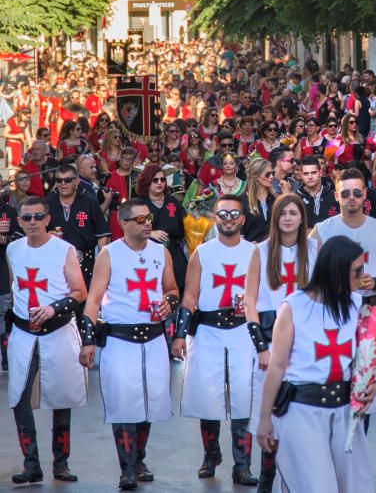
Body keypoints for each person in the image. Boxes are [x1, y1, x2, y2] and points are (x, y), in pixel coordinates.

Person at [256, 236, 376, 493]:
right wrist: (264, 418)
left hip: (344, 411)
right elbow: (277, 367)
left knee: (357, 486)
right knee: (315, 487)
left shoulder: (355, 303)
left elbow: (359, 359)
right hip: (303, 412)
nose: (362, 277)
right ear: (336, 270)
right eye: (357, 271)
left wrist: (372, 384)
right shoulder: (294, 306)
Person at [79, 198, 179, 491]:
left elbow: (172, 288)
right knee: (124, 403)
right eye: (140, 220)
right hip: (120, 338)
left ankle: (138, 458)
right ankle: (127, 468)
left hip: (153, 336)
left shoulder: (161, 252)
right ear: (123, 223)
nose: (147, 223)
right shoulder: (109, 254)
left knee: (150, 400)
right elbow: (93, 300)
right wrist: (88, 341)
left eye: (149, 218)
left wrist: (168, 303)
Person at [172, 195, 258, 486]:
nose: (229, 219)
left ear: (243, 218)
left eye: (235, 213)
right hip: (208, 330)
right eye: (223, 214)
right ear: (215, 218)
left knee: (244, 394)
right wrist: (180, 334)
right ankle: (211, 454)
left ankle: (242, 464)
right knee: (207, 395)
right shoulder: (203, 253)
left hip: (243, 331)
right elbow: (190, 296)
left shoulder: (254, 252)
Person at [7, 196, 87, 484]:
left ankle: (61, 464)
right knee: (18, 396)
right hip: (23, 331)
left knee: (61, 396)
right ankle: (31, 464)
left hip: (58, 330)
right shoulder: (13, 250)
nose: (32, 223)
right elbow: (16, 285)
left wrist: (53, 308)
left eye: (37, 217)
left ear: (48, 219)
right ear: (19, 221)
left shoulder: (64, 250)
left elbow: (80, 292)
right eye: (26, 218)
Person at [245, 194, 317, 492]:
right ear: (275, 218)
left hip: (304, 341)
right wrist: (261, 346)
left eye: (293, 213)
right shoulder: (260, 252)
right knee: (270, 410)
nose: (288, 218)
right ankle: (266, 479)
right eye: (282, 213)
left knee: (299, 411)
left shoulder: (314, 249)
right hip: (269, 338)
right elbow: (250, 302)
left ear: (302, 218)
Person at [310, 167, 376, 306]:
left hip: (372, 306)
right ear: (336, 196)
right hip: (334, 304)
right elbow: (308, 273)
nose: (351, 197)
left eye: (357, 193)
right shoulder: (321, 231)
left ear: (364, 194)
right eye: (345, 193)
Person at [46, 164, 110, 290]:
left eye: (67, 180)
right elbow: (39, 232)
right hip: (56, 261)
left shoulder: (89, 202)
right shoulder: (48, 202)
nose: (63, 184)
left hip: (84, 261)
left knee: (83, 302)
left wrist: (102, 265)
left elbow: (102, 235)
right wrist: (47, 235)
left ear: (77, 181)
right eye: (59, 180)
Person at [135, 165, 187, 295]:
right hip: (148, 253)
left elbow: (181, 228)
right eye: (155, 180)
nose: (160, 183)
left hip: (173, 252)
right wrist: (151, 233)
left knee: (178, 287)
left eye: (163, 180)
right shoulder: (140, 204)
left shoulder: (172, 202)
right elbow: (133, 227)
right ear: (147, 182)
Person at [0, 197, 21, 371]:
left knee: (4, 311)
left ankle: (6, 357)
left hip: (3, 269)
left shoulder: (10, 211)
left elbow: (20, 236)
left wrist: (6, 239)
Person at [296, 156, 339, 229]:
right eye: (306, 174)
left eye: (313, 172)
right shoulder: (296, 198)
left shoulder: (334, 196)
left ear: (320, 172)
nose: (310, 177)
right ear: (301, 175)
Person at [241, 157, 276, 243]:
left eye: (273, 173)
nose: (271, 177)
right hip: (251, 251)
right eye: (267, 174)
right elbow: (238, 233)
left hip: (274, 250)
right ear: (256, 177)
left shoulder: (276, 199)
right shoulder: (241, 201)